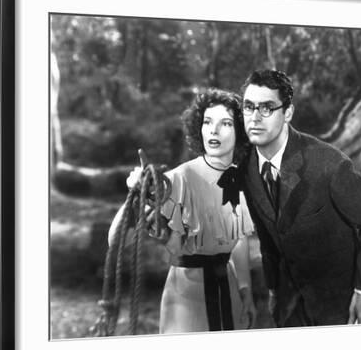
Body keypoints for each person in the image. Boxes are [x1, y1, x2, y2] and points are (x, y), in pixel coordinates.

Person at [238, 69, 361, 327]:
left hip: (337, 304)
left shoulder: (328, 163)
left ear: (287, 113)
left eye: (266, 108)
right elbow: (268, 237)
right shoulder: (248, 169)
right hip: (288, 305)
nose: (254, 117)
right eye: (249, 107)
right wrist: (274, 289)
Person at [108, 89, 256, 334]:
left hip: (228, 290)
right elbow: (117, 240)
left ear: (240, 132)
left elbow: (239, 240)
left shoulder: (240, 181)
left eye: (225, 123)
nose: (214, 130)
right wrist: (136, 195)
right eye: (207, 121)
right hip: (186, 296)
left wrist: (245, 290)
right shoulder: (176, 180)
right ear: (198, 127)